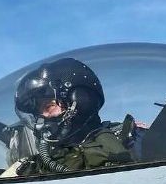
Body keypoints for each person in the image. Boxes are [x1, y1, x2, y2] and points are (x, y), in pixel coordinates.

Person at [8, 58, 137, 176]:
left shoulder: (132, 140)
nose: (43, 119)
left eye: (49, 107)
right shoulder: (42, 163)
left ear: (81, 100)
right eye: (38, 114)